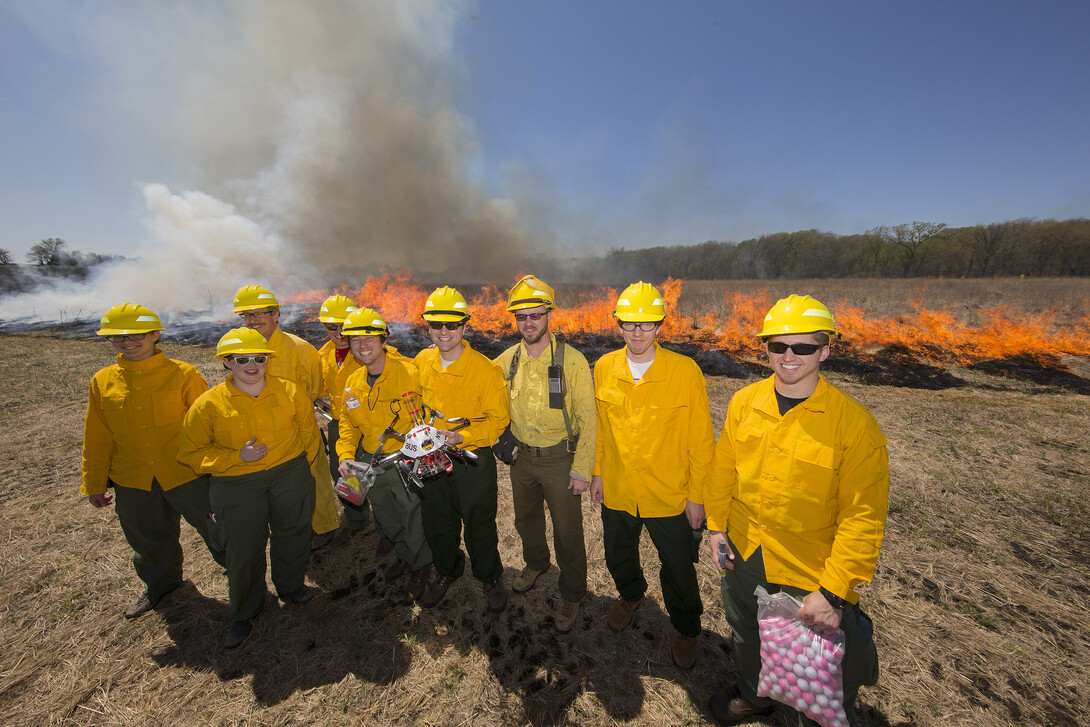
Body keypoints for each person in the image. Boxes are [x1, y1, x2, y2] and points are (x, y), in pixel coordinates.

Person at [704, 294, 889, 726]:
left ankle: (820, 717)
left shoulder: (854, 425)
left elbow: (864, 516)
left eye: (803, 347)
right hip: (746, 550)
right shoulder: (744, 403)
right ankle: (755, 694)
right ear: (765, 348)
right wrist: (716, 527)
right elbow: (721, 472)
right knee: (747, 629)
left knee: (819, 663)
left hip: (810, 567)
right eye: (778, 346)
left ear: (825, 350)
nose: (789, 357)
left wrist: (834, 592)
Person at [590, 281, 715, 670]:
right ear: (619, 326)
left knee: (678, 566)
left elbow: (702, 441)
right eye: (629, 325)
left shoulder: (684, 371)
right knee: (617, 554)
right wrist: (597, 473)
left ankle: (685, 626)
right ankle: (630, 594)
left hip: (669, 494)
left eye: (646, 325)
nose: (638, 333)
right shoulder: (605, 368)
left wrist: (697, 496)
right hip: (619, 487)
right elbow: (599, 429)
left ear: (660, 326)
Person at [178, 327, 320, 648]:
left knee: (294, 531)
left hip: (290, 473)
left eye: (259, 358)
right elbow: (190, 453)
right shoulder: (208, 405)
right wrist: (234, 457)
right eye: (242, 360)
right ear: (227, 362)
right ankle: (245, 610)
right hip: (236, 482)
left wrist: (306, 469)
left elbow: (309, 434)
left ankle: (291, 585)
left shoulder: (290, 391)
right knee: (243, 546)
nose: (252, 366)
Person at [81, 303, 225, 619]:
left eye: (136, 335)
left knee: (219, 528)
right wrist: (94, 482)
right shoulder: (102, 382)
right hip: (133, 480)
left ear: (155, 334)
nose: (127, 342)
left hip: (187, 473)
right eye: (117, 337)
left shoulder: (184, 374)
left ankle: (244, 577)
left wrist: (220, 471)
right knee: (147, 538)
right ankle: (161, 584)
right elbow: (98, 436)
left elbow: (209, 428)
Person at [494, 275, 596, 634]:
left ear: (549, 315)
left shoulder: (573, 361)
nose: (529, 323)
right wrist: (497, 436)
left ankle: (572, 590)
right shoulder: (507, 360)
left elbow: (588, 419)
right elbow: (484, 399)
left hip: (559, 459)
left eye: (536, 315)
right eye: (522, 317)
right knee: (526, 519)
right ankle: (535, 563)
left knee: (568, 530)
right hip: (522, 459)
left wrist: (582, 470)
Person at [414, 286, 510, 613]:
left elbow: (498, 422)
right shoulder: (422, 361)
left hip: (472, 460)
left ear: (464, 327)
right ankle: (446, 570)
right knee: (437, 518)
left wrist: (460, 438)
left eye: (451, 325)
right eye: (436, 325)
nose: (444, 332)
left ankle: (489, 576)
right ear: (427, 326)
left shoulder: (485, 370)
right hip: (431, 459)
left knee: (479, 520)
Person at [232, 284, 344, 549]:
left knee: (313, 477)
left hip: (298, 428)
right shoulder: (239, 349)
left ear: (276, 315)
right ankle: (290, 527)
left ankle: (324, 526)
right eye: (247, 315)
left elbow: (315, 389)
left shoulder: (300, 350)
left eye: (261, 313)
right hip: (258, 432)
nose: (253, 320)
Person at [336, 307, 433, 603]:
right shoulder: (352, 382)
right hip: (371, 462)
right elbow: (348, 425)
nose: (362, 346)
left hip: (405, 460)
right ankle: (403, 554)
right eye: (355, 341)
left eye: (369, 339)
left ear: (383, 340)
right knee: (388, 518)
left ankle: (420, 566)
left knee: (413, 516)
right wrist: (344, 456)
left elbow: (431, 413)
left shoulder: (409, 373)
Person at [316, 294, 375, 538]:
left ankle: (386, 529)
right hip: (340, 423)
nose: (339, 332)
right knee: (341, 471)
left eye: (344, 326)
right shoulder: (323, 355)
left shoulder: (366, 350)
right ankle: (356, 520)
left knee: (377, 477)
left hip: (370, 422)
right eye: (332, 326)